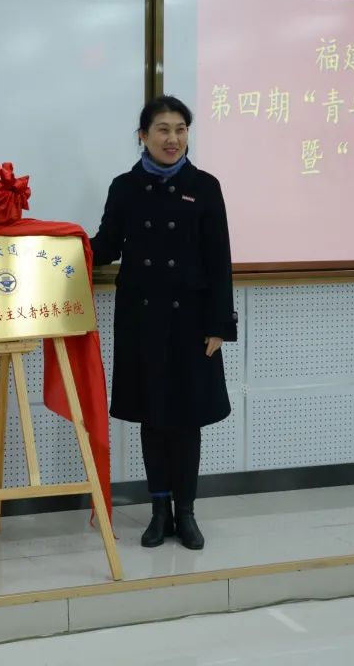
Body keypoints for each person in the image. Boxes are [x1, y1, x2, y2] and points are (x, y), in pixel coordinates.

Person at [90, 95, 237, 551]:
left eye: (180, 129)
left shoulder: (205, 186)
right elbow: (105, 247)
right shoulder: (124, 187)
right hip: (142, 319)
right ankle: (159, 513)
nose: (172, 139)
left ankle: (186, 513)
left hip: (192, 323)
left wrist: (219, 324)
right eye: (162, 129)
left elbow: (219, 259)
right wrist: (49, 248)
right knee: (152, 418)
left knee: (187, 418)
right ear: (143, 136)